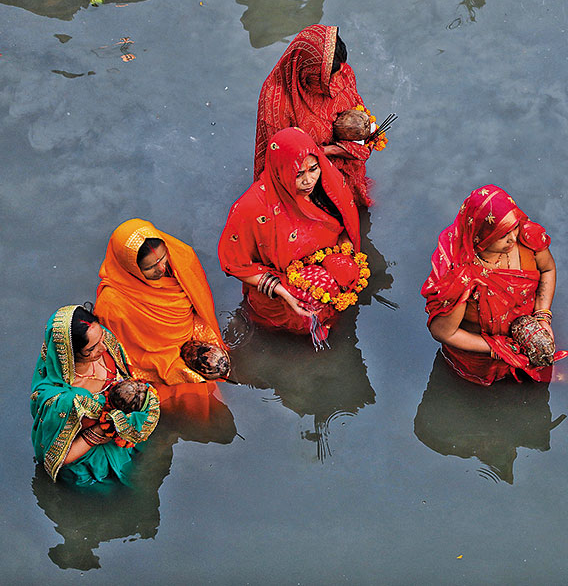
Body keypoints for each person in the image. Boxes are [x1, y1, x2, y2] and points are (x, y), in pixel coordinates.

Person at [219, 126, 361, 339]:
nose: (308, 181)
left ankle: (327, 315)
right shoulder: (253, 208)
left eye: (313, 169)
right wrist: (284, 292)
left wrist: (344, 253)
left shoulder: (326, 186)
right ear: (280, 171)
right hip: (284, 288)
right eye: (297, 174)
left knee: (347, 271)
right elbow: (234, 262)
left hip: (321, 273)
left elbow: (345, 226)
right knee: (301, 317)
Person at [422, 185, 568, 385]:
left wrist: (542, 316)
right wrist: (498, 349)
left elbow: (548, 270)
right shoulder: (461, 275)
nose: (513, 238)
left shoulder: (528, 239)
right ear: (480, 236)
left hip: (530, 337)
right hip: (482, 360)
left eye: (514, 227)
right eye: (502, 235)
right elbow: (444, 332)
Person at [31, 305, 160, 486]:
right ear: (70, 353)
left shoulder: (104, 342)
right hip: (90, 464)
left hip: (124, 439)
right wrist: (101, 430)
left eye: (101, 338)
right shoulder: (63, 399)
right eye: (91, 349)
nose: (103, 348)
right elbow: (57, 457)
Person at [95, 219, 228, 386]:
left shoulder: (181, 257)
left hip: (194, 341)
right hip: (155, 364)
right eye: (150, 267)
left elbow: (201, 306)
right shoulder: (111, 304)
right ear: (130, 268)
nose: (162, 268)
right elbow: (125, 353)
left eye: (163, 257)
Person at [254, 24, 374, 206]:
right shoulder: (276, 100)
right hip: (309, 179)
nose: (336, 82)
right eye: (328, 78)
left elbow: (357, 111)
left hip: (342, 163)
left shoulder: (342, 72)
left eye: (338, 73)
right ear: (308, 70)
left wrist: (344, 146)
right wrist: (325, 153)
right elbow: (280, 159)